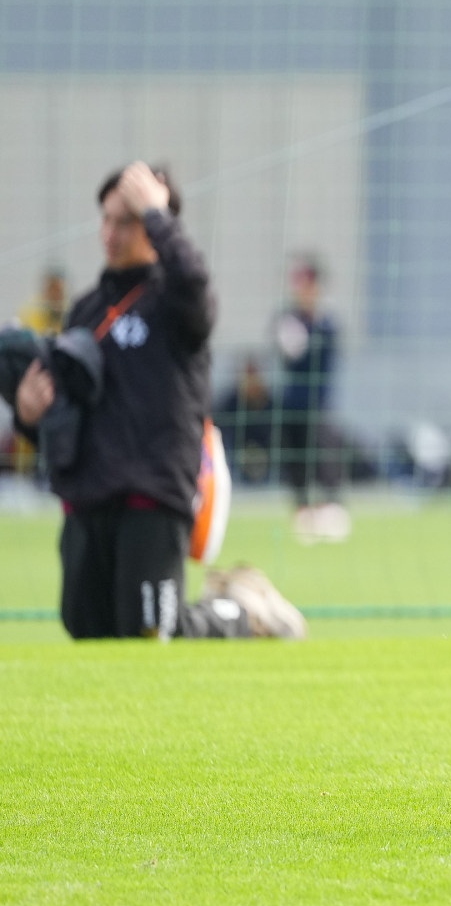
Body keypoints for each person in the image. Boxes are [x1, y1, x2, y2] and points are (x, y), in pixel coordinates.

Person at [6, 162, 302, 640]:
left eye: (127, 221)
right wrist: (26, 413)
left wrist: (158, 214)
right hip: (88, 498)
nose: (110, 233)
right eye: (106, 219)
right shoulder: (86, 310)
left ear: (156, 225)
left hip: (153, 492)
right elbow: (62, 415)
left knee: (152, 631)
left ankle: (243, 610)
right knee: (87, 629)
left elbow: (195, 283)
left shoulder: (175, 302)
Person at [274, 255, 347, 543]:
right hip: (293, 402)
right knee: (296, 460)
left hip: (318, 403)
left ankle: (331, 510)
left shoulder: (327, 322)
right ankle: (303, 512)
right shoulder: (288, 320)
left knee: (324, 456)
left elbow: (324, 358)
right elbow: (288, 357)